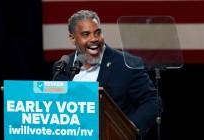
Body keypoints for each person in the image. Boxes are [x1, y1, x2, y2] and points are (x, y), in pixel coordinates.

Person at [53, 10, 163, 139]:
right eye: (86, 34)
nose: (94, 39)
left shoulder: (126, 64)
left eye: (97, 32)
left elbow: (153, 102)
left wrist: (127, 129)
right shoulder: (62, 67)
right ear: (72, 38)